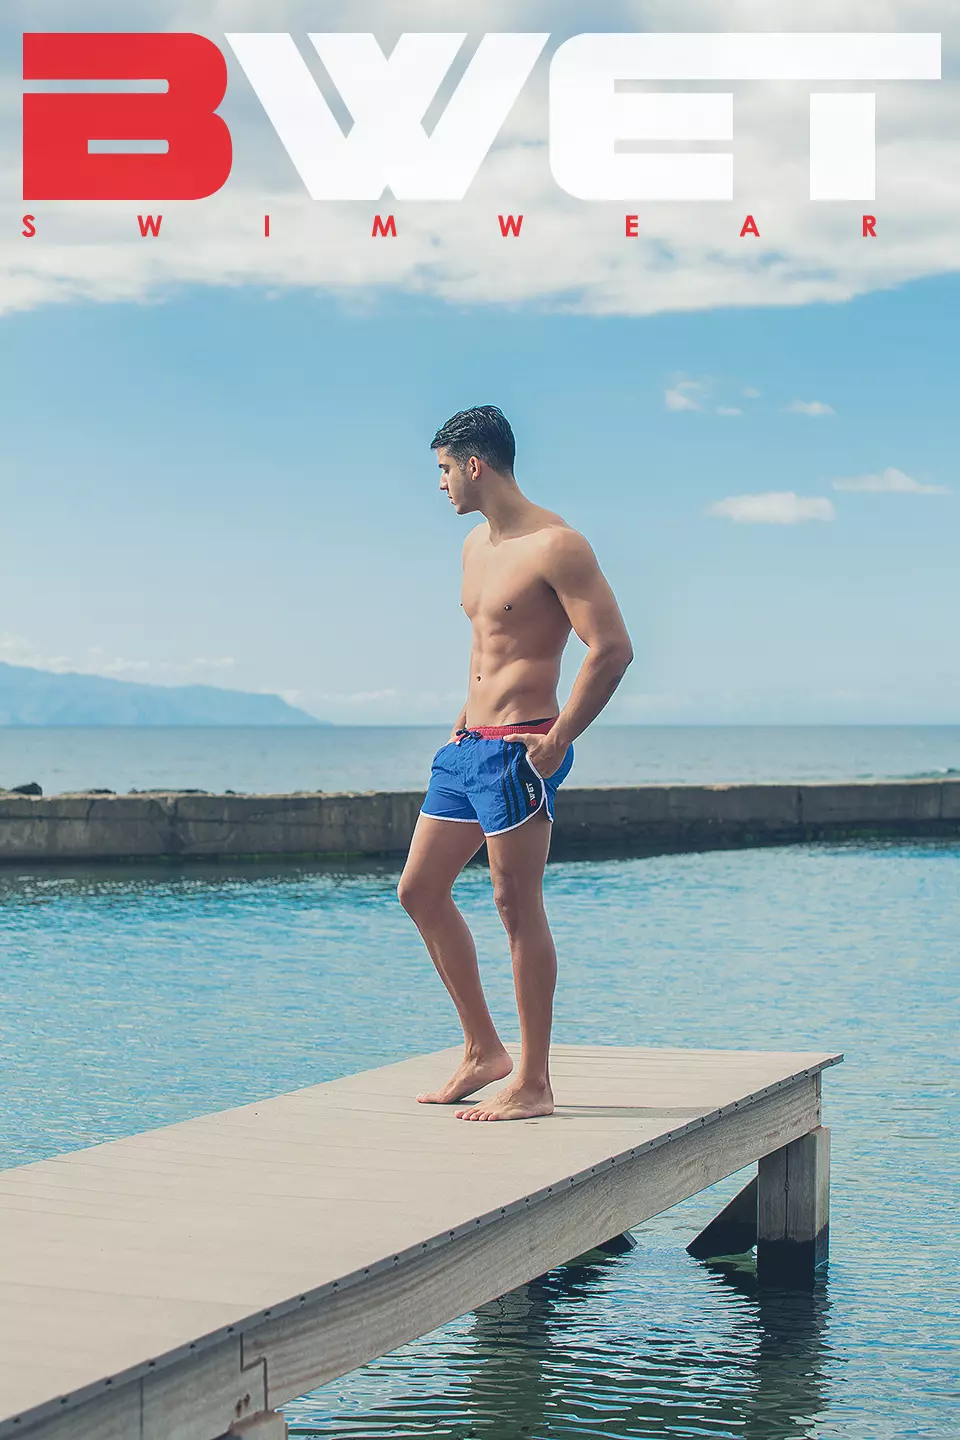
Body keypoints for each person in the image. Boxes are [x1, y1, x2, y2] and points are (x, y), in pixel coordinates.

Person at [397, 405, 633, 1121]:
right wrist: (463, 719)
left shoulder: (557, 545)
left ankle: (532, 1080)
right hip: (466, 747)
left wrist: (559, 739)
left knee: (514, 906)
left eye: (443, 469)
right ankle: (482, 1052)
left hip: (522, 749)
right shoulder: (474, 547)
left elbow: (612, 648)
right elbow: (490, 647)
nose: (439, 483)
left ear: (475, 464)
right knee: (419, 890)